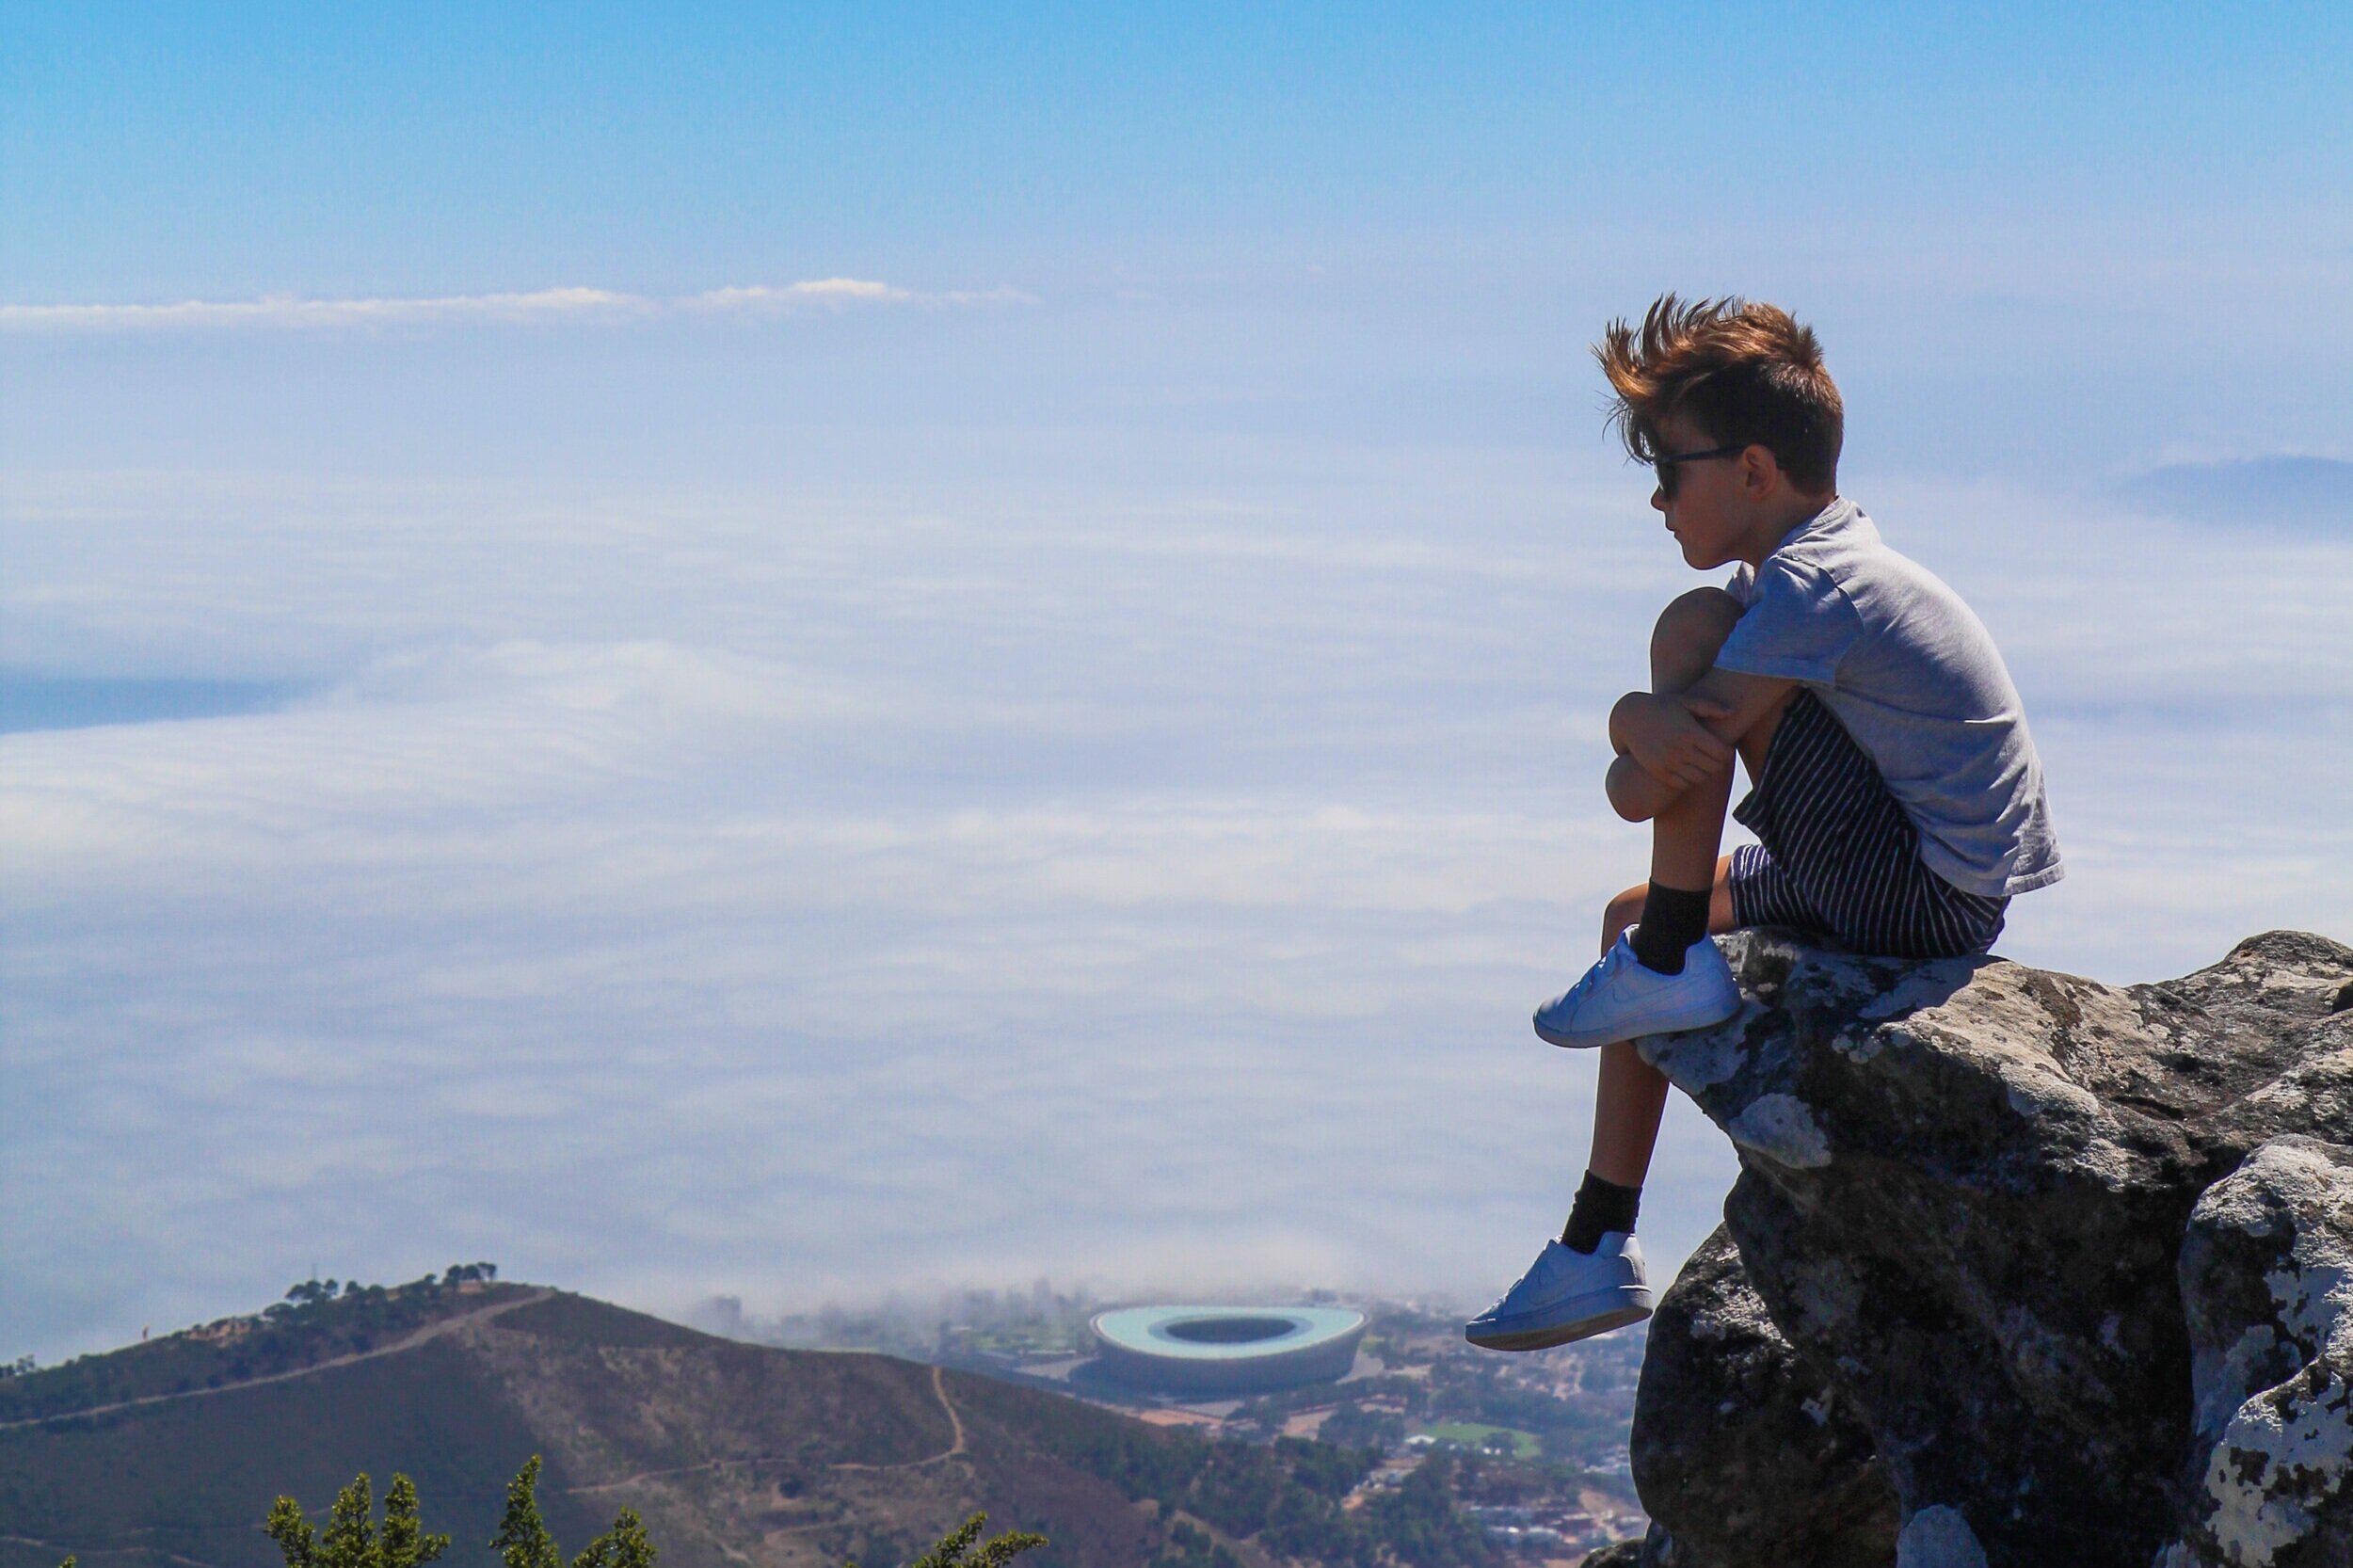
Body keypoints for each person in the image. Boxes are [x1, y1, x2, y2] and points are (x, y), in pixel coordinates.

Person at [1465, 296, 2062, 1352]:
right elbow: (1657, 768)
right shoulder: (1816, 567)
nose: (1656, 499)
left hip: (1912, 890)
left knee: (1690, 628)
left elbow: (1641, 787)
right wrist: (1638, 726)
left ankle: (1670, 957)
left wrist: (1635, 719)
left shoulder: (1810, 585)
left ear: (1751, 471)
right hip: (1916, 880)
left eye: (1669, 469)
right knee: (1627, 915)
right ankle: (1596, 1240)